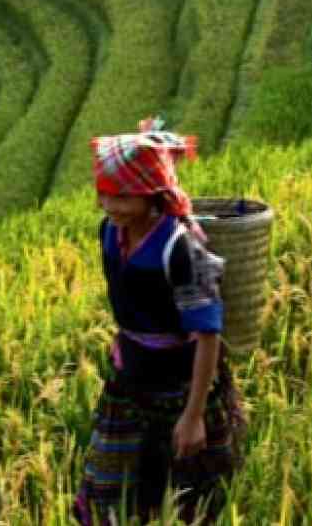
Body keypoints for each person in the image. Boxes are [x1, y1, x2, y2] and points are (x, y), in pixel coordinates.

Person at [74, 123, 246, 526]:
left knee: (190, 498)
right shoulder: (109, 234)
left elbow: (208, 334)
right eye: (104, 195)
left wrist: (193, 415)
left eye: (122, 196)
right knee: (106, 493)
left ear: (152, 194)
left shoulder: (181, 246)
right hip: (130, 380)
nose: (110, 205)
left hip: (182, 386)